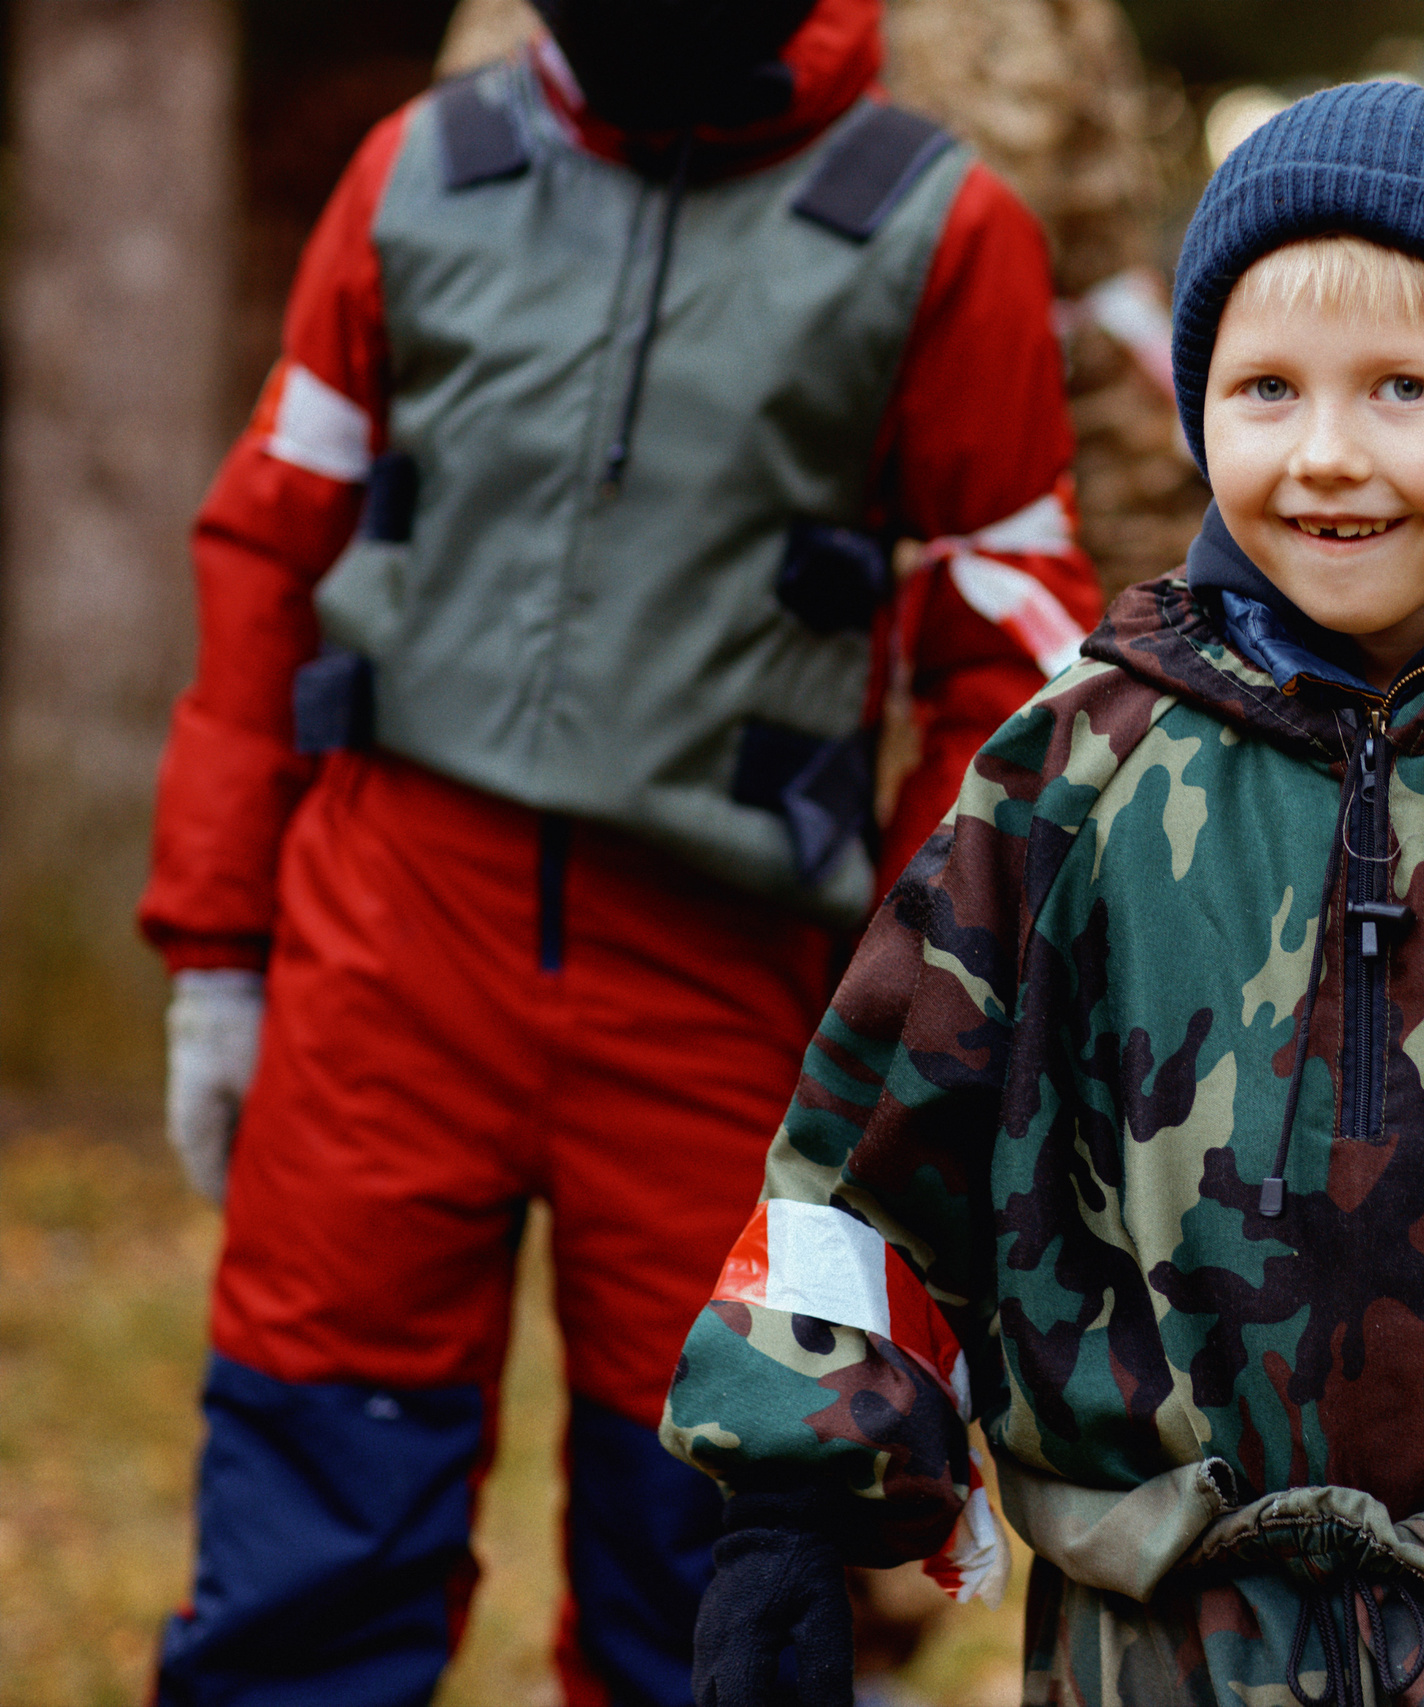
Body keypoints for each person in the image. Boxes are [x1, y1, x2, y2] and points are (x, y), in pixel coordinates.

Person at [661, 80, 1424, 1707]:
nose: (1326, 455)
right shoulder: (1082, 765)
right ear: (1197, 414)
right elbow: (879, 1153)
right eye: (1265, 389)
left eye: (1404, 387)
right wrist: (788, 1508)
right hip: (1161, 1637)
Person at [139, 0, 1100, 1699]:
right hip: (388, 930)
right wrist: (220, 953)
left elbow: (1000, 674)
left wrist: (921, 1051)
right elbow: (266, 556)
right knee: (309, 1528)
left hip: (723, 979)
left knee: (711, 1568)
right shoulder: (424, 170)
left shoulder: (936, 228)